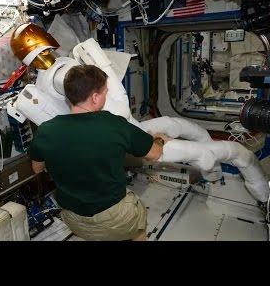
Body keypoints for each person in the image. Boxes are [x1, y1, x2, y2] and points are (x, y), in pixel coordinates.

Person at [28, 65, 169, 241]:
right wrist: (159, 140)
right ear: (95, 97)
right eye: (105, 92)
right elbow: (155, 154)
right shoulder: (113, 124)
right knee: (137, 226)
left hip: (74, 220)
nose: (106, 96)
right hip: (116, 219)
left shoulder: (46, 130)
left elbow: (37, 168)